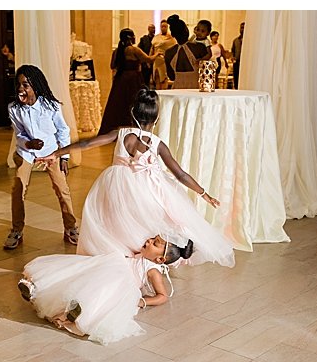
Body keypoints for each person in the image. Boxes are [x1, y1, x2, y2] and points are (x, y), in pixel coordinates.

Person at [72, 88, 234, 265]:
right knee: (152, 214)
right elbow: (180, 175)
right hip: (146, 188)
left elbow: (86, 143)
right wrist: (204, 194)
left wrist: (56, 153)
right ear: (156, 119)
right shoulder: (157, 144)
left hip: (116, 184)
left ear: (133, 112)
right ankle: (144, 254)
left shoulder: (121, 133)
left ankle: (121, 250)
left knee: (115, 217)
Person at [19, 232, 189, 343]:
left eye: (155, 243)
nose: (149, 240)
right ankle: (36, 287)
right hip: (107, 267)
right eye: (153, 238)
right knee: (77, 273)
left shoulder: (153, 270)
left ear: (160, 260)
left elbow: (163, 296)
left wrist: (141, 301)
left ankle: (72, 313)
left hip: (120, 281)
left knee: (98, 294)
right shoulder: (140, 254)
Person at [3, 65, 77, 252]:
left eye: (26, 84)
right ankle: (16, 230)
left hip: (51, 152)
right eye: (19, 84)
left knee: (62, 189)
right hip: (26, 153)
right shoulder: (14, 108)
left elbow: (63, 130)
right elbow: (19, 134)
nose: (21, 89)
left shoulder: (50, 106)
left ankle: (71, 227)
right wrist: (29, 144)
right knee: (18, 189)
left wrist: (64, 157)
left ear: (36, 85)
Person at [100, 29, 160, 135]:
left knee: (119, 104)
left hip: (120, 79)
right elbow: (149, 59)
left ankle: (119, 128)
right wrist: (157, 53)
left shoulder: (117, 51)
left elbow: (112, 66)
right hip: (133, 79)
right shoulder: (133, 50)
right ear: (130, 38)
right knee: (134, 102)